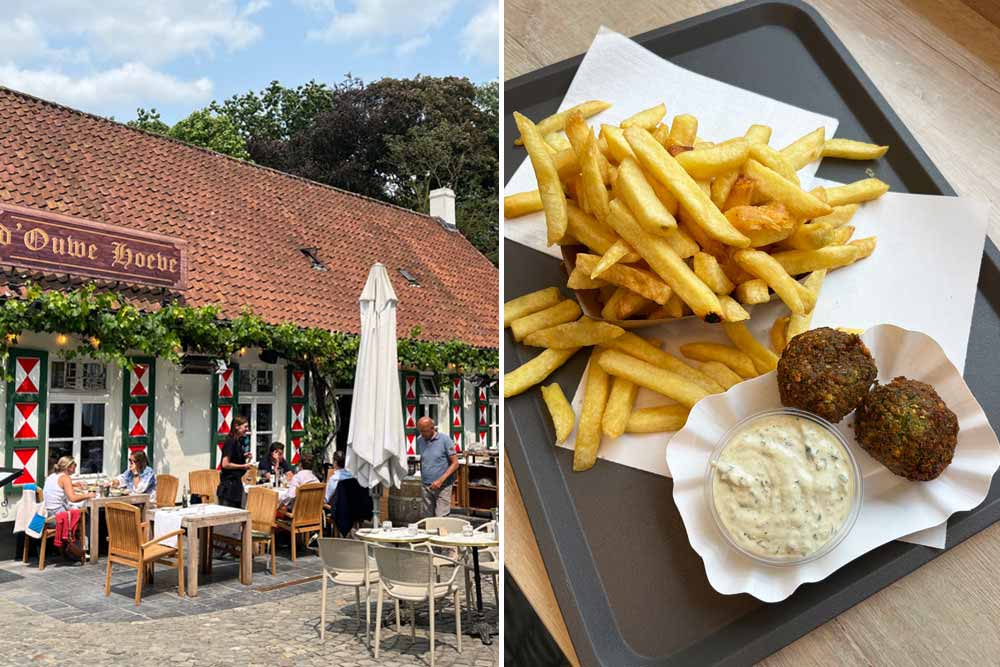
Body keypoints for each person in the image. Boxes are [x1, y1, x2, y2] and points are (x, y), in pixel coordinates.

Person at [43, 456, 94, 561]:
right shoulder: (65, 478)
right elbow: (73, 498)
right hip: (56, 518)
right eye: (74, 465)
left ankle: (74, 546)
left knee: (77, 511)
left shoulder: (52, 476)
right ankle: (84, 549)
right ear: (69, 467)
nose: (76, 467)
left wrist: (73, 485)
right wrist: (88, 495)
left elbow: (58, 487)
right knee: (86, 516)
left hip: (47, 514)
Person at [415, 417, 459, 517]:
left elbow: (455, 463)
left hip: (443, 486)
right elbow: (425, 459)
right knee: (428, 519)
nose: (422, 434)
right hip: (426, 485)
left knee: (441, 518)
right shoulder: (420, 440)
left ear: (432, 428)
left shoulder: (445, 440)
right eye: (420, 431)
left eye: (424, 431)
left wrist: (440, 480)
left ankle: (442, 532)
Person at [217, 416, 254, 508]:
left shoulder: (237, 441)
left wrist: (244, 456)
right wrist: (243, 466)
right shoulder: (230, 441)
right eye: (245, 427)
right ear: (237, 426)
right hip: (229, 487)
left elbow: (233, 457)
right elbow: (225, 464)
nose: (247, 429)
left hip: (235, 486)